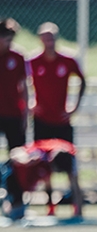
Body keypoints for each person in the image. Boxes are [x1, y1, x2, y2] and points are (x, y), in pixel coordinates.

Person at [28, 22, 85, 218]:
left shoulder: (67, 60)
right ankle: (50, 206)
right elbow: (20, 82)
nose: (48, 41)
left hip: (62, 122)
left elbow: (83, 81)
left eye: (51, 37)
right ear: (40, 39)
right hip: (42, 121)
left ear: (56, 39)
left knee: (70, 164)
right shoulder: (33, 61)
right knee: (44, 167)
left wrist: (74, 108)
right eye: (45, 37)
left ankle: (77, 206)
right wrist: (31, 103)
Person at [0, 18, 29, 218]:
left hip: (13, 115)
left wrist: (26, 113)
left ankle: (17, 201)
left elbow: (24, 87)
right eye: (4, 39)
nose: (7, 43)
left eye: (10, 39)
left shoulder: (18, 57)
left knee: (18, 159)